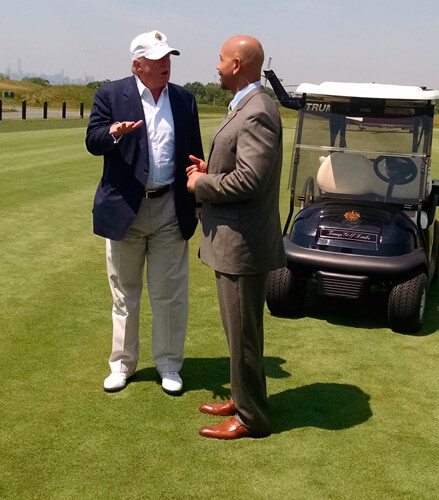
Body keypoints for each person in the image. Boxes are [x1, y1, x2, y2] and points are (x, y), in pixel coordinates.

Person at [86, 30, 203, 395]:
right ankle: (122, 365)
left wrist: (198, 197)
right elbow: (93, 140)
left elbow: (193, 152)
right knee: (125, 293)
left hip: (170, 206)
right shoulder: (109, 95)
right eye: (157, 59)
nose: (166, 64)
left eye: (168, 57)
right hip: (125, 209)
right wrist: (114, 133)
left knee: (170, 293)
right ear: (138, 65)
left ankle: (169, 364)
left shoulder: (184, 99)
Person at [186, 35, 286, 439]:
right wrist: (214, 165)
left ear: (238, 65)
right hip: (233, 241)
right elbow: (242, 165)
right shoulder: (247, 105)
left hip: (242, 244)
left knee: (243, 331)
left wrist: (202, 183)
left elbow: (250, 180)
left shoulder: (257, 110)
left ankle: (251, 418)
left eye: (222, 59)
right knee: (239, 330)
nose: (217, 65)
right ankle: (244, 396)